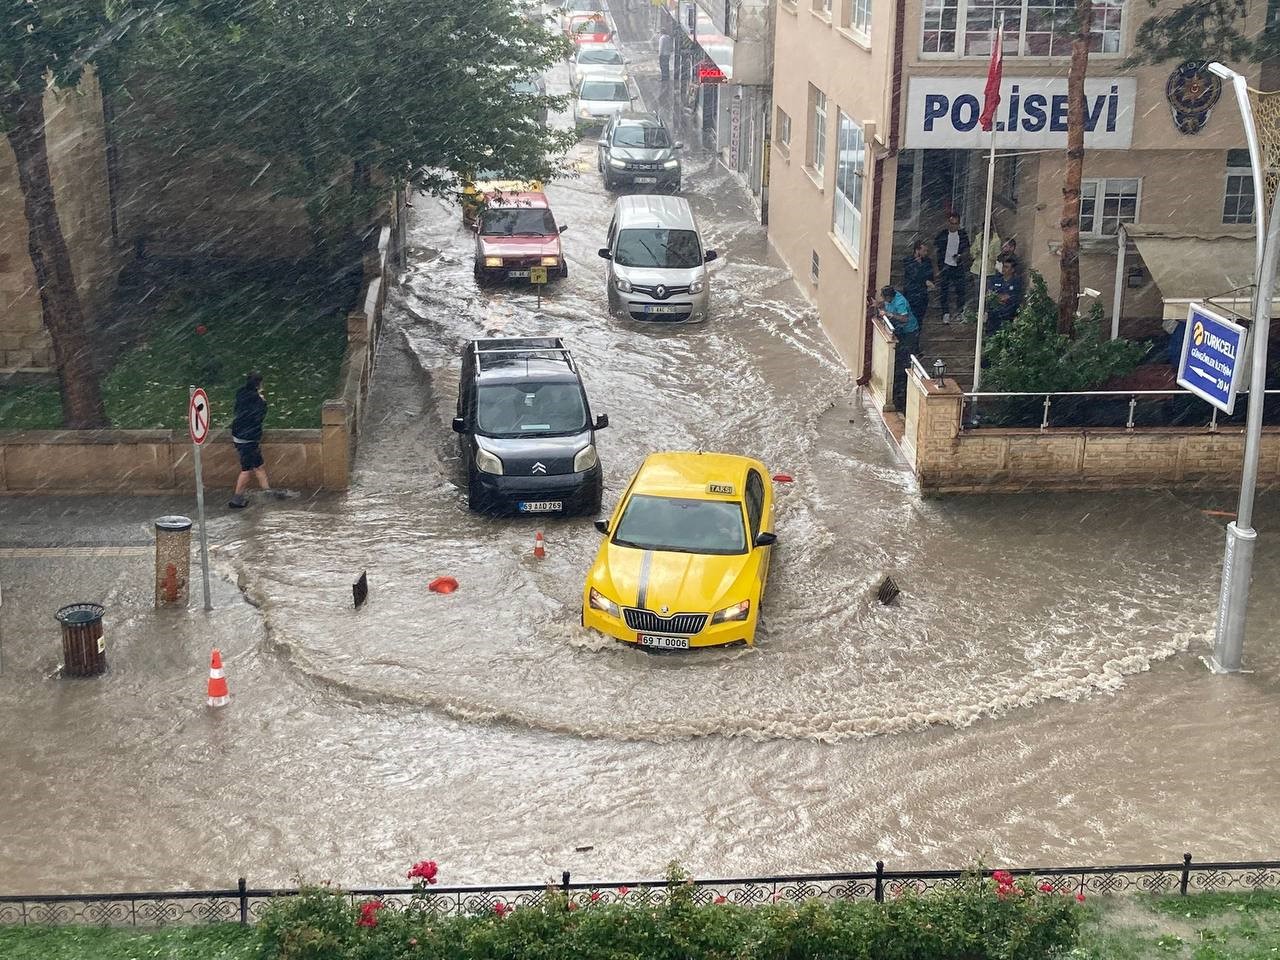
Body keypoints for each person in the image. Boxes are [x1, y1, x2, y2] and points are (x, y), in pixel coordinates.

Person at [228, 372, 275, 509]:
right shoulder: (257, 401)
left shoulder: (241, 393)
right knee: (246, 470)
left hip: (239, 435)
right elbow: (259, 417)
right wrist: (263, 401)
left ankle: (267, 492)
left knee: (258, 466)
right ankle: (236, 500)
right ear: (259, 384)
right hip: (248, 439)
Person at [878, 284, 919, 410]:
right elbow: (884, 304)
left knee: (907, 356)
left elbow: (904, 318)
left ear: (890, 296)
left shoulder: (900, 302)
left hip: (909, 331)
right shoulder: (889, 299)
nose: (885, 301)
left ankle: (907, 377)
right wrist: (878, 305)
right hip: (901, 331)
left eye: (886, 298)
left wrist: (890, 315)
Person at [934, 213, 971, 325]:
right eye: (951, 223)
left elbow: (966, 250)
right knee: (944, 291)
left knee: (960, 290)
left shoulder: (962, 235)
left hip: (958, 266)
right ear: (948, 223)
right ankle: (945, 313)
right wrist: (936, 268)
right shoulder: (943, 235)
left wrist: (960, 256)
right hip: (945, 266)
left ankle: (960, 312)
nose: (953, 226)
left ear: (958, 224)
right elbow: (935, 250)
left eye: (956, 223)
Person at [985, 254, 1023, 335]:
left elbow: (1012, 297)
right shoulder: (996, 280)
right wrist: (999, 297)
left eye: (1006, 267)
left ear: (1012, 270)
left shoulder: (1016, 282)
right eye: (1003, 266)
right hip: (994, 316)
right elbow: (990, 294)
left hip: (1008, 315)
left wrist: (1001, 297)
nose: (1003, 269)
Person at [902, 239, 935, 326]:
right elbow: (913, 275)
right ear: (917, 250)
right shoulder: (908, 260)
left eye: (927, 251)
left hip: (922, 294)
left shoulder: (927, 261)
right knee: (911, 317)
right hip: (911, 293)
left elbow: (930, 275)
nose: (926, 253)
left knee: (920, 319)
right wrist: (925, 281)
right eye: (924, 250)